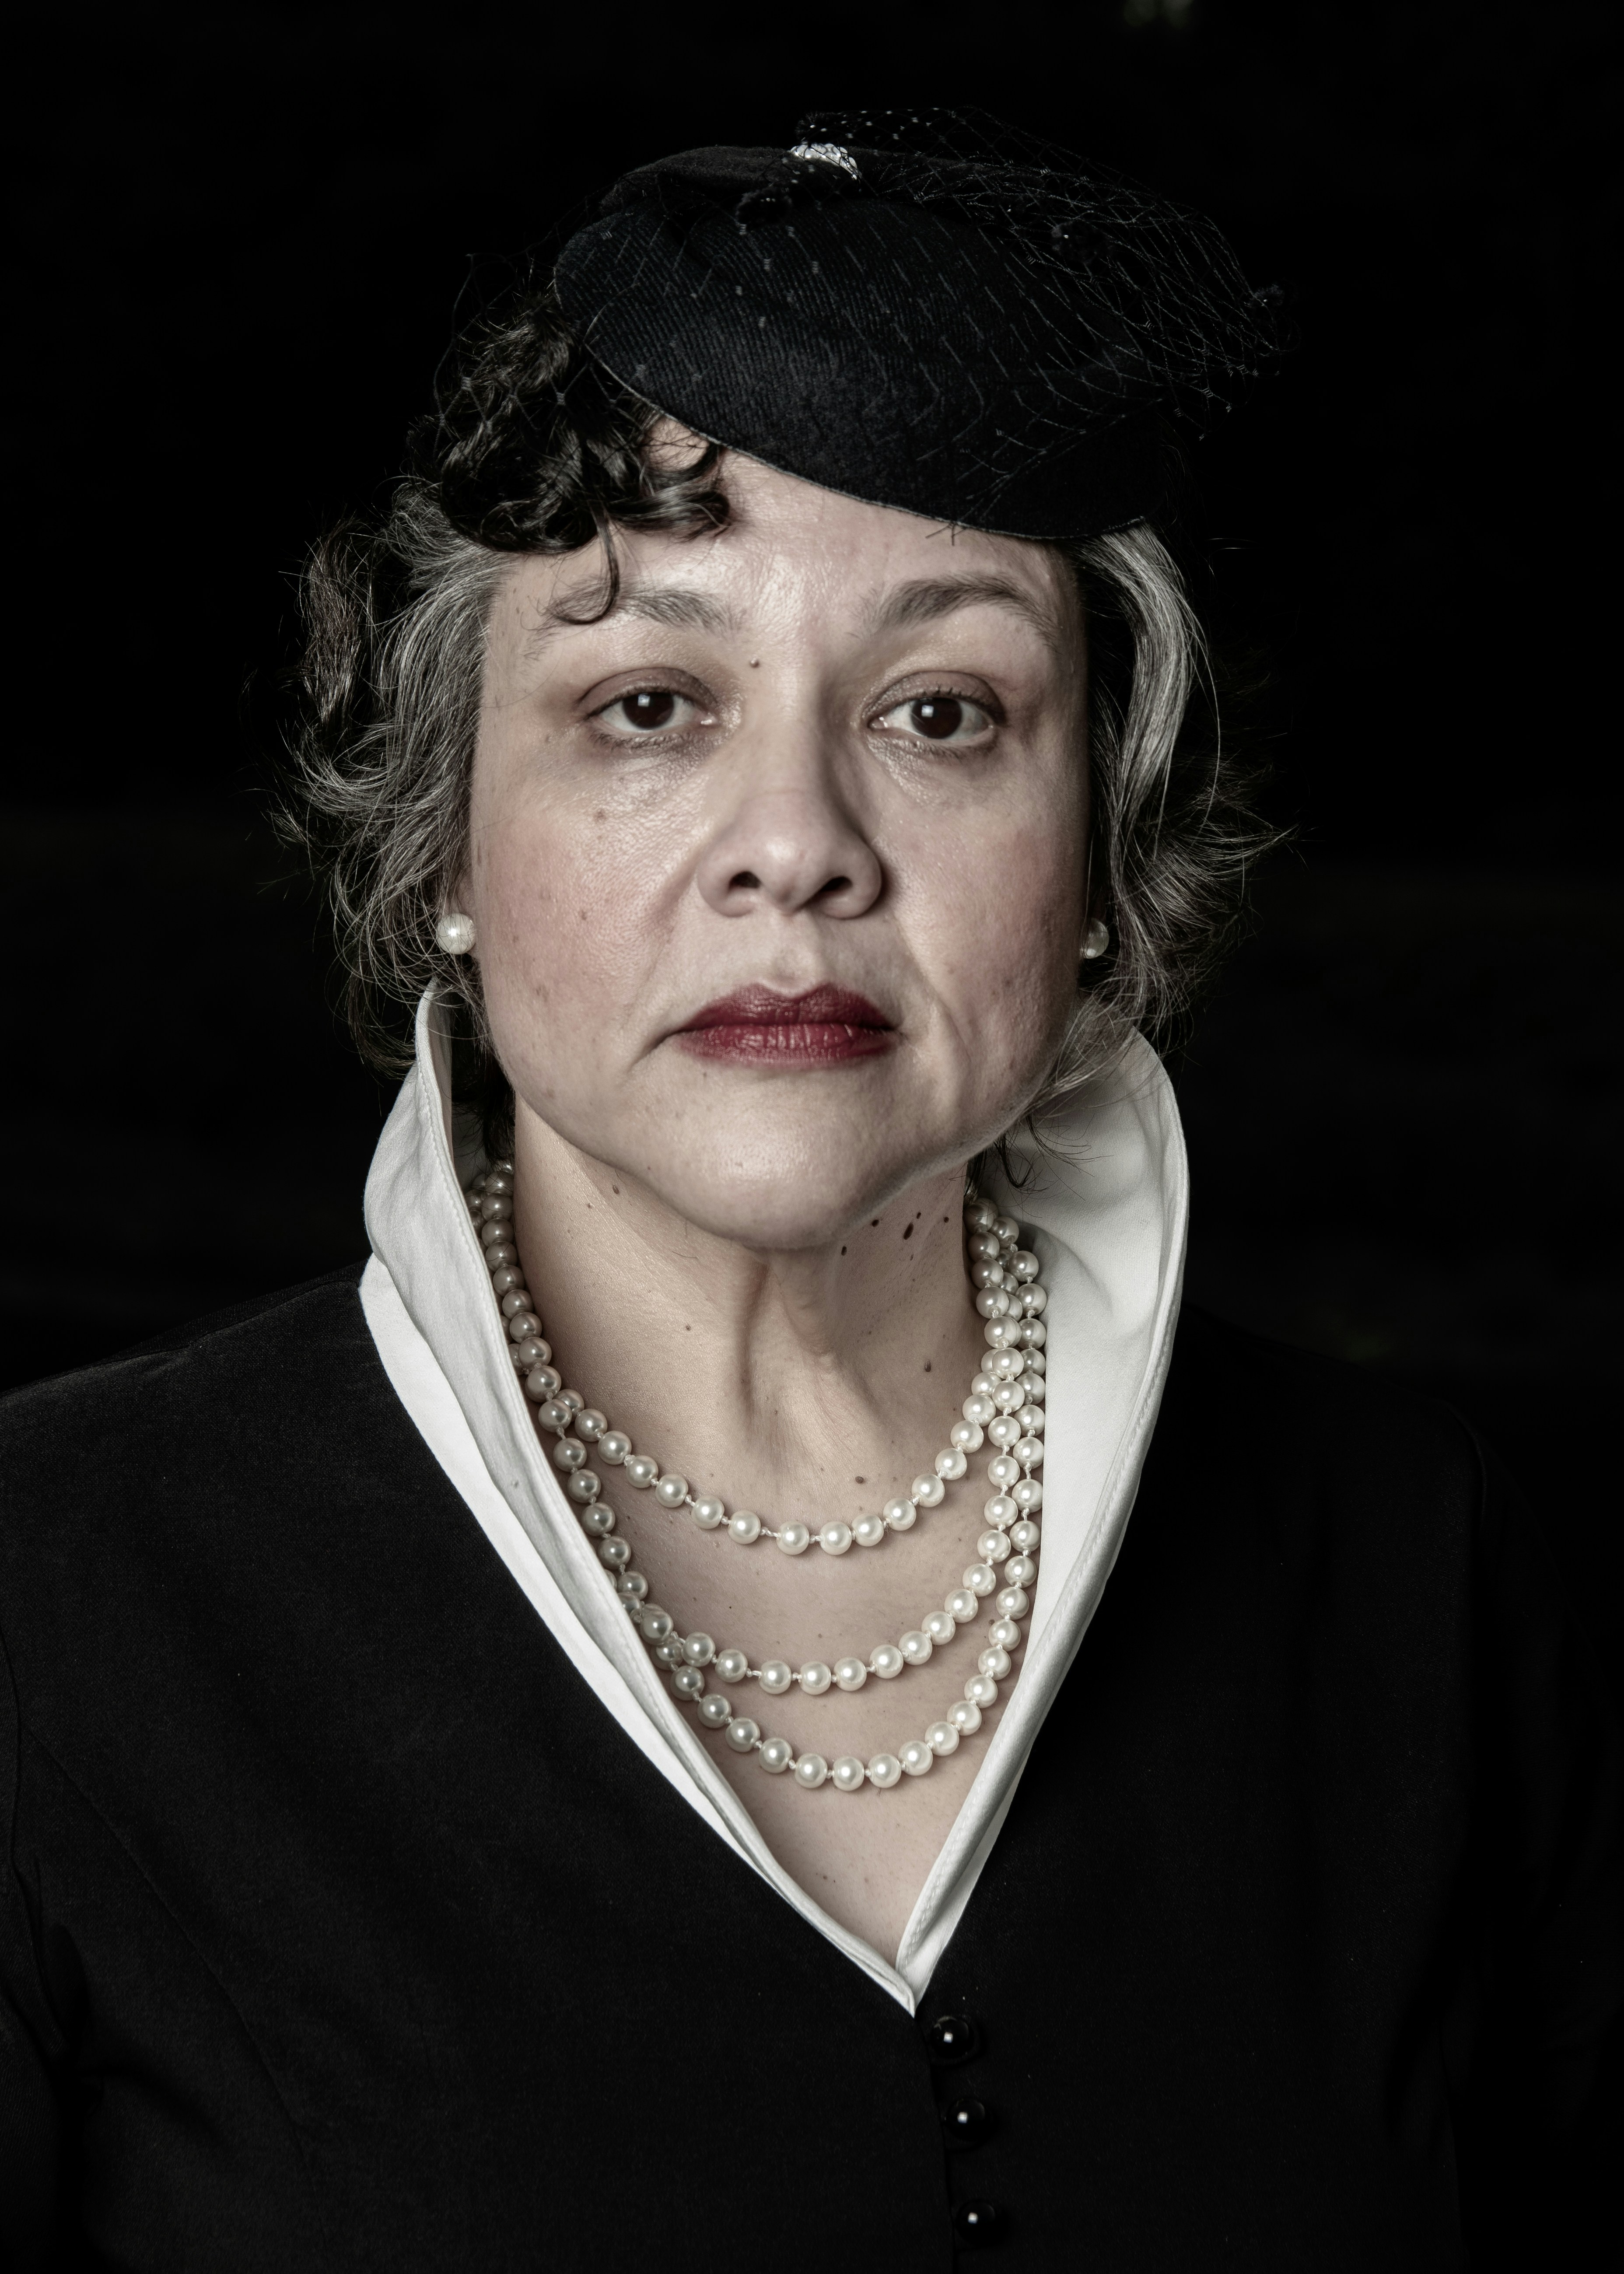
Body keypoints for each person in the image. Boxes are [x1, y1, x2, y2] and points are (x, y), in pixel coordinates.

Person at [1, 110, 1617, 2270]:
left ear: (1099, 856)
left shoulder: (1422, 1574)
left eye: (941, 710)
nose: (798, 843)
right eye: (649, 702)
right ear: (448, 841)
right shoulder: (51, 1600)